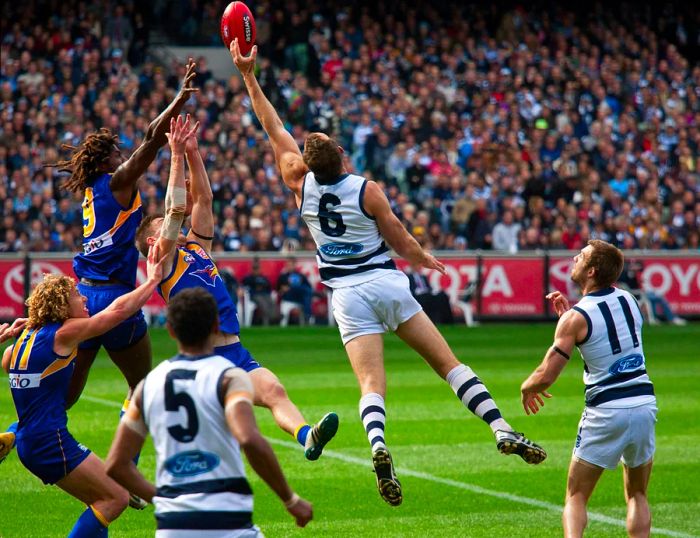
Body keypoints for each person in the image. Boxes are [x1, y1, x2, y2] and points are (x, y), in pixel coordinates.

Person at [229, 38, 546, 507]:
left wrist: (248, 75)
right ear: (341, 155)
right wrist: (425, 260)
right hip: (386, 283)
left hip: (347, 296)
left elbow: (272, 125)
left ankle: (379, 447)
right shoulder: (367, 189)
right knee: (448, 365)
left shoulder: (299, 184)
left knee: (371, 386)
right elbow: (400, 238)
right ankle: (500, 428)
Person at [134, 114, 338, 462]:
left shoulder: (196, 248)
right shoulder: (162, 256)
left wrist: (195, 152)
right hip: (206, 354)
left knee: (274, 390)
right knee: (220, 432)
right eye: (164, 224)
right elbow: (177, 208)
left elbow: (204, 199)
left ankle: (307, 435)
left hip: (235, 350)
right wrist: (177, 153)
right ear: (155, 237)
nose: (175, 224)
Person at [54, 59, 198, 421]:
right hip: (115, 295)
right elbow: (152, 138)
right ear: (106, 163)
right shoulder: (117, 183)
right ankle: (124, 462)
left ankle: (15, 430)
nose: (124, 157)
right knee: (140, 386)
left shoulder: (92, 189)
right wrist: (179, 100)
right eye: (117, 154)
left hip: (84, 295)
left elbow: (147, 138)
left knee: (68, 392)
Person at [106, 288, 313, 536]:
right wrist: (290, 499)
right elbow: (249, 439)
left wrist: (162, 499)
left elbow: (116, 464)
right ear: (217, 326)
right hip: (228, 521)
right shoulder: (229, 378)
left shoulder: (148, 386)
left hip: (172, 527)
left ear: (170, 331)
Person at [1, 244, 166, 537]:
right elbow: (116, 312)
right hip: (49, 442)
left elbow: (9, 365)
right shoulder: (64, 335)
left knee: (104, 498)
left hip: (32, 439)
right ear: (62, 307)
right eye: (77, 296)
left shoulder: (21, 342)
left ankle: (12, 433)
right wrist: (152, 280)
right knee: (115, 498)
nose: (85, 298)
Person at [521, 240, 657, 538]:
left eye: (581, 256)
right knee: (637, 494)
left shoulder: (576, 318)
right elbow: (607, 337)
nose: (574, 258)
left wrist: (527, 386)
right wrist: (568, 320)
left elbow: (546, 375)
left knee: (576, 496)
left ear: (592, 271)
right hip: (644, 403)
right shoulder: (630, 300)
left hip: (606, 408)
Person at [617, 259, 687, 326]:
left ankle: (655, 318)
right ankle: (671, 318)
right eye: (634, 266)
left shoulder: (635, 274)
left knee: (655, 298)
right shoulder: (628, 274)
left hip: (640, 294)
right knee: (658, 298)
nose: (637, 267)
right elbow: (631, 288)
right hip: (637, 295)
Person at [277, 257, 314, 324]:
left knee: (306, 291)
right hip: (288, 298)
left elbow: (309, 288)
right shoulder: (283, 276)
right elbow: (278, 289)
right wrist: (283, 289)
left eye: (291, 265)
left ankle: (307, 317)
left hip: (299, 299)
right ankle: (308, 316)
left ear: (294, 265)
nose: (289, 267)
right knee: (304, 291)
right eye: (288, 265)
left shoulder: (301, 276)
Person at [242, 258, 277, 325]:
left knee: (271, 302)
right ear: (252, 269)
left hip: (265, 294)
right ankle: (272, 319)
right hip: (255, 295)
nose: (256, 270)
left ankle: (275, 317)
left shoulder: (264, 278)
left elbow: (269, 287)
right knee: (263, 303)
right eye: (254, 268)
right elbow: (244, 287)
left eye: (257, 268)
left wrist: (263, 288)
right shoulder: (248, 278)